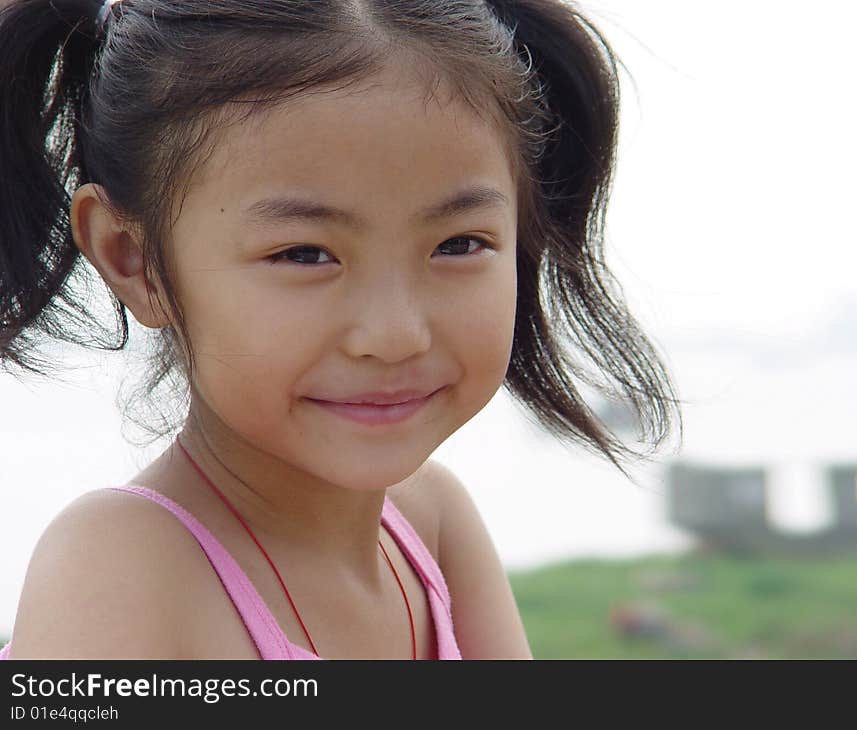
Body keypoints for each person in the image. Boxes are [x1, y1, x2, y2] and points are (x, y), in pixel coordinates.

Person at [0, 0, 679, 660]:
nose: (395, 334)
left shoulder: (431, 523)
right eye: (304, 254)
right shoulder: (120, 565)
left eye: (459, 244)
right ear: (132, 259)